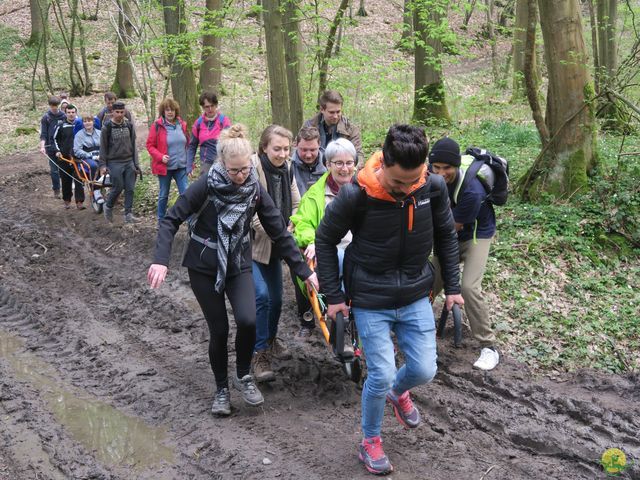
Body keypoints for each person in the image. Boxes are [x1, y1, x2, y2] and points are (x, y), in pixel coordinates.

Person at [315, 124, 463, 476]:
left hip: (414, 293)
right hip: (370, 298)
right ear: (383, 165)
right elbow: (324, 240)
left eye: (414, 181)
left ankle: (399, 393)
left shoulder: (433, 187)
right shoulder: (356, 195)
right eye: (398, 182)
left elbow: (445, 236)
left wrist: (453, 287)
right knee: (379, 375)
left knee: (425, 369)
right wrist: (334, 297)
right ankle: (370, 441)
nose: (406, 189)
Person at [147, 124, 318, 416]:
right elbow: (171, 219)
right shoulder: (206, 184)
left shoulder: (254, 188)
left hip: (238, 262)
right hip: (203, 265)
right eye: (234, 171)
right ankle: (222, 390)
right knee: (220, 330)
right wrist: (160, 259)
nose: (240, 177)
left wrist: (305, 272)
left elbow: (279, 231)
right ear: (222, 164)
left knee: (248, 320)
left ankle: (243, 375)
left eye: (244, 170)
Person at [429, 137, 499, 371]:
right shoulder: (427, 178)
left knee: (468, 287)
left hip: (475, 235)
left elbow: (450, 229)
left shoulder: (471, 190)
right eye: (435, 168)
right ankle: (412, 328)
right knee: (427, 281)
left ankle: (489, 346)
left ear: (456, 166)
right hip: (447, 232)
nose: (440, 173)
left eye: (446, 168)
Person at [290, 138, 357, 339]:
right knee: (306, 265)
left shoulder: (366, 190)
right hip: (328, 251)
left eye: (348, 163)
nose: (344, 169)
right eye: (338, 163)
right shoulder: (315, 195)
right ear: (328, 165)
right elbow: (302, 223)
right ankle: (309, 317)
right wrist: (311, 241)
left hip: (359, 249)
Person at [250, 124, 300, 382]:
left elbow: (296, 202)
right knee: (262, 296)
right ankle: (259, 354)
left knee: (277, 300)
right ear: (264, 147)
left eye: (285, 149)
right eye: (276, 148)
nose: (281, 154)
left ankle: (269, 339)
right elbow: (252, 216)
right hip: (252, 246)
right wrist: (280, 235)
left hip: (276, 245)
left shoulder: (288, 168)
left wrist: (290, 227)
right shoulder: (253, 171)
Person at [146, 98, 190, 223]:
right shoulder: (157, 126)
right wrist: (160, 156)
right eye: (167, 110)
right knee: (163, 195)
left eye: (172, 110)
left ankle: (189, 220)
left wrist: (189, 163)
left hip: (181, 166)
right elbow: (150, 145)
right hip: (165, 167)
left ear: (176, 111)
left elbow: (187, 144)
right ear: (163, 112)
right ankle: (161, 220)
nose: (170, 112)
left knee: (185, 194)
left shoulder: (182, 125)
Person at [99, 100, 141, 224]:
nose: (120, 114)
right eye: (117, 112)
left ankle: (128, 214)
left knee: (130, 188)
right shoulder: (107, 127)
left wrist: (136, 164)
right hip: (114, 162)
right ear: (112, 112)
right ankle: (108, 206)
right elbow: (103, 147)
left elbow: (134, 145)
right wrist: (102, 165)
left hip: (129, 161)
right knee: (118, 187)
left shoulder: (129, 125)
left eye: (122, 112)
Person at [303, 90, 364, 168]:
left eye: (338, 112)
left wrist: (352, 170)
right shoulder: (310, 125)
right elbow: (296, 149)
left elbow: (358, 155)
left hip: (341, 170)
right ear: (322, 109)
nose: (335, 116)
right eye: (331, 112)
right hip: (313, 170)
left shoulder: (350, 129)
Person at [186, 92, 232, 176]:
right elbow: (192, 146)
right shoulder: (198, 123)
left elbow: (231, 143)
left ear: (216, 105)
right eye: (207, 107)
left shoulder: (224, 121)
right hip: (206, 164)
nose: (210, 109)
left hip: (223, 163)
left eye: (212, 106)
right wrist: (189, 165)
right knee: (205, 188)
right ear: (203, 107)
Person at [53, 104, 86, 210]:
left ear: (76, 113)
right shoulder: (61, 125)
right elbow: (54, 139)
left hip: (78, 157)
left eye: (73, 112)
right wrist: (57, 151)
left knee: (79, 178)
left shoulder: (81, 125)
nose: (71, 114)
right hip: (64, 157)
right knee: (66, 179)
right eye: (69, 112)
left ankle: (79, 202)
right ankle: (67, 200)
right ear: (65, 113)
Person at [73, 114, 104, 206]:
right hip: (87, 157)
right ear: (83, 123)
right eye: (85, 121)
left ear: (93, 122)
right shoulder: (79, 135)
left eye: (89, 121)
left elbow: (106, 146)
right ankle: (96, 191)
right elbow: (77, 150)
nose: (87, 123)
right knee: (94, 165)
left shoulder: (100, 133)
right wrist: (90, 155)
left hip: (101, 155)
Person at [39, 95, 65, 198]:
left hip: (62, 147)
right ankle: (56, 189)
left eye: (56, 105)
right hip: (50, 147)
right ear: (49, 105)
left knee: (64, 169)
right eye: (52, 105)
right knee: (54, 170)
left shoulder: (63, 116)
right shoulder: (46, 117)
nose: (54, 107)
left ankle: (66, 189)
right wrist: (42, 146)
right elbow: (43, 134)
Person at [291, 126, 326, 196]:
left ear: (319, 145)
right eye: (304, 150)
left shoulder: (329, 165)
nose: (308, 155)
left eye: (312, 150)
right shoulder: (288, 166)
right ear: (296, 145)